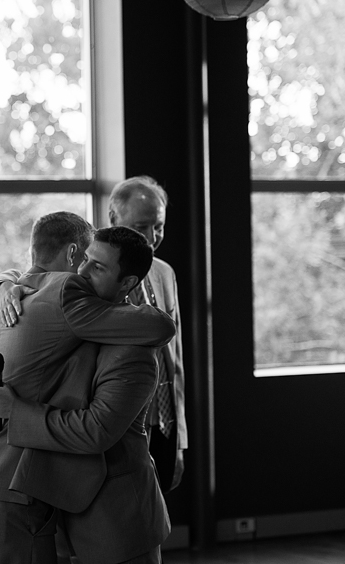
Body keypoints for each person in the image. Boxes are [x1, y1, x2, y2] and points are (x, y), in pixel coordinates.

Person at [0, 212, 175, 564]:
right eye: (85, 260)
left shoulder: (128, 347)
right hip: (25, 491)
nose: (82, 273)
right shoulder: (58, 301)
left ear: (127, 283)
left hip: (117, 518)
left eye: (98, 267)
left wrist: (3, 283)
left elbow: (96, 431)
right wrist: (3, 283)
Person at [108, 176, 187, 493]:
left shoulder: (164, 271)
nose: (152, 238)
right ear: (114, 220)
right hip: (118, 427)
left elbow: (175, 359)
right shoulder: (94, 272)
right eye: (142, 227)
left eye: (159, 226)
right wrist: (3, 287)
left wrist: (180, 437)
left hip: (165, 424)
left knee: (156, 528)